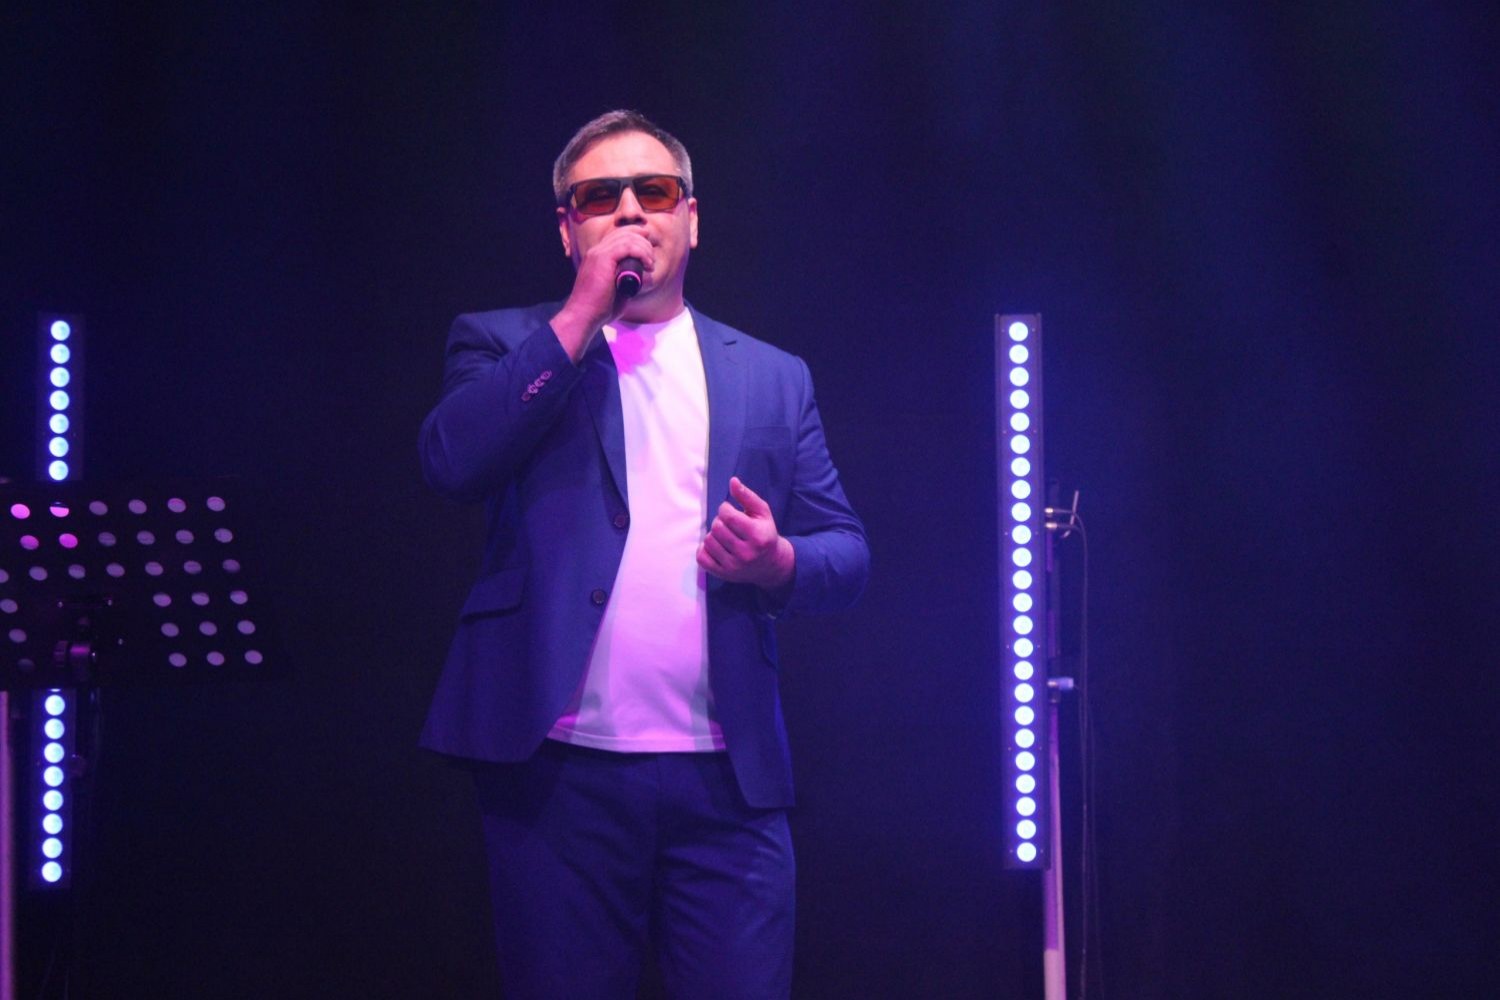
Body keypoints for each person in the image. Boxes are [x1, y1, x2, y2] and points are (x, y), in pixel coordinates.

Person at [418, 110, 869, 999]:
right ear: (568, 229)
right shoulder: (505, 343)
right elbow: (452, 461)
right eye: (600, 197)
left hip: (727, 783)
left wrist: (776, 561)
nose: (630, 210)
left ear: (691, 220)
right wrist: (580, 317)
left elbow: (846, 554)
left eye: (654, 192)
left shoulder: (772, 376)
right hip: (558, 776)